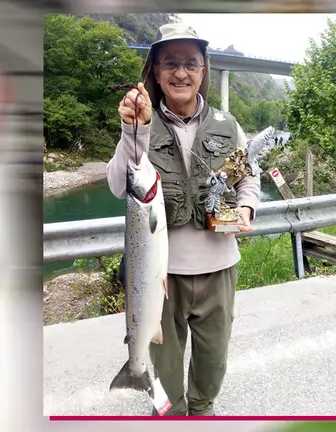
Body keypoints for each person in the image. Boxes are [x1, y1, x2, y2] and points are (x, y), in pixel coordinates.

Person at [106, 22, 260, 416]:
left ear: (203, 71)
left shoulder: (228, 125)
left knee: (212, 364)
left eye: (190, 63)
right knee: (166, 373)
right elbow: (119, 184)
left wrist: (245, 207)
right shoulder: (140, 121)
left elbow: (248, 177)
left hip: (219, 268)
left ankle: (203, 412)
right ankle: (169, 415)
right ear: (155, 72)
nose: (181, 73)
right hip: (160, 277)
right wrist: (130, 130)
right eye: (169, 63)